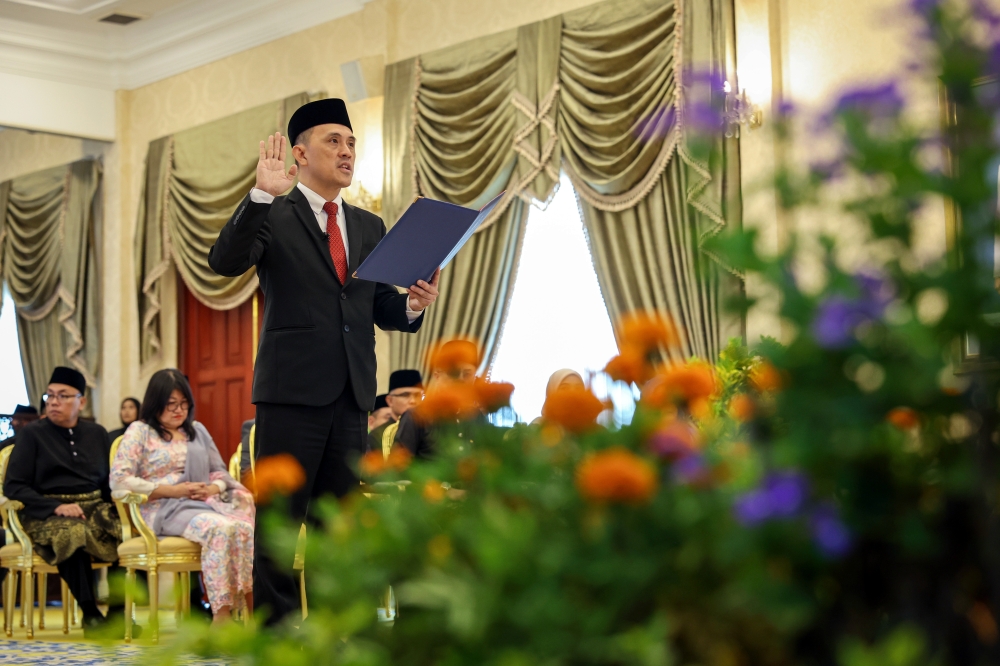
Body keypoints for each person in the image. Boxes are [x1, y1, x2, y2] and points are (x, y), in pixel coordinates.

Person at [207, 98, 440, 621]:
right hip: (291, 395)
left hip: (353, 395)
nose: (346, 151)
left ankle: (344, 633)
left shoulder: (368, 225)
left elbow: (376, 306)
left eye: (351, 142)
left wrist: (412, 303)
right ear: (299, 153)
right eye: (333, 141)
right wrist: (259, 196)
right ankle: (278, 641)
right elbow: (223, 262)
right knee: (279, 526)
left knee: (344, 525)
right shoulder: (274, 212)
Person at [110, 369, 254, 624]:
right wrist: (173, 490)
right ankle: (221, 616)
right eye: (171, 405)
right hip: (161, 508)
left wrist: (212, 488)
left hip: (202, 503)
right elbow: (119, 480)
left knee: (243, 527)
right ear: (155, 404)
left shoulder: (197, 431)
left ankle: (249, 610)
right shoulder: (140, 431)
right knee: (219, 528)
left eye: (184, 404)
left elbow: (219, 471)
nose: (179, 411)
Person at [3, 367, 129, 635]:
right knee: (72, 531)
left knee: (127, 533)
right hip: (45, 511)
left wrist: (120, 512)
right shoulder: (32, 434)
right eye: (50, 396)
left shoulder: (97, 433)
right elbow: (14, 486)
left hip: (94, 507)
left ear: (81, 402)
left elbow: (107, 482)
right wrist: (56, 507)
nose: (54, 402)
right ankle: (91, 614)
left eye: (62, 396)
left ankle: (117, 614)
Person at [395, 342, 479, 460]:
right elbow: (399, 469)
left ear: (474, 377)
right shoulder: (416, 416)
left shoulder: (478, 417)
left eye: (467, 374)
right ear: (437, 377)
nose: (460, 379)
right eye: (452, 373)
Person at [367, 370, 423, 452]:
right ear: (390, 401)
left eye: (418, 395)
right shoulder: (376, 436)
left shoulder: (428, 430)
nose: (413, 401)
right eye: (405, 395)